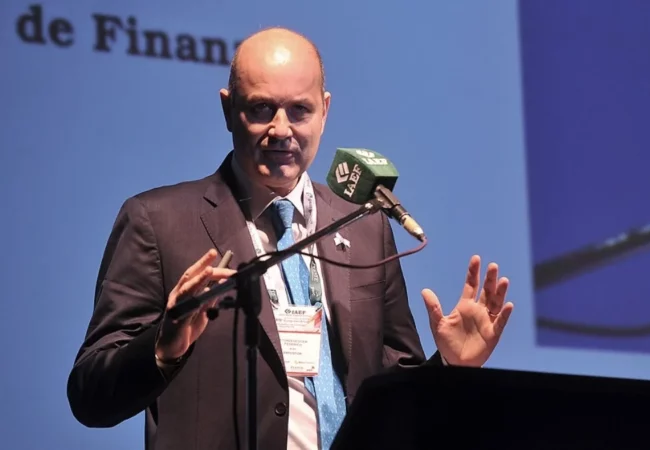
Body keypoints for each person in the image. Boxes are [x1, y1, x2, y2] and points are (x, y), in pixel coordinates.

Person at [66, 26, 514, 450]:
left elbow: (397, 394)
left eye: (300, 110)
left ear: (325, 111)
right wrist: (164, 348)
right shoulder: (158, 222)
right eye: (261, 108)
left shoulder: (364, 225)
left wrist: (451, 365)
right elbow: (90, 394)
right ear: (228, 109)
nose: (281, 130)